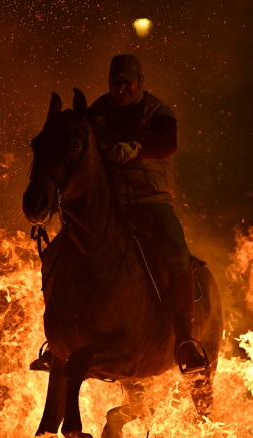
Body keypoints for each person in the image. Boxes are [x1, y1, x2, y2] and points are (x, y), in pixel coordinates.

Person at [86, 54, 208, 373]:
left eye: (127, 82)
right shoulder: (96, 113)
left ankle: (184, 340)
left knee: (178, 256)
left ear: (141, 82)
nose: (121, 88)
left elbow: (167, 143)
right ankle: (61, 339)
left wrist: (136, 149)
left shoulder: (158, 112)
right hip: (110, 206)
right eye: (115, 82)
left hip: (151, 203)